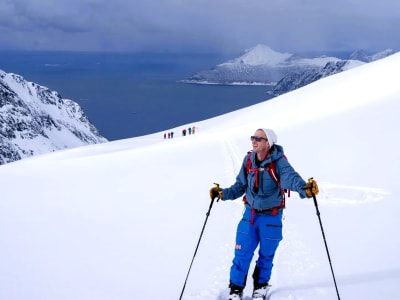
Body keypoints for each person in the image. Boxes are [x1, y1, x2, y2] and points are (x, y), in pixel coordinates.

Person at [209, 128, 319, 300]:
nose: (254, 141)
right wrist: (222, 194)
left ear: (268, 143)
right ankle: (236, 290)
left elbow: (291, 178)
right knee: (241, 253)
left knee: (266, 256)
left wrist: (305, 189)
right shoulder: (248, 161)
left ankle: (260, 288)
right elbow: (240, 185)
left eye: (259, 139)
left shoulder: (279, 162)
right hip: (250, 216)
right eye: (253, 137)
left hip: (271, 218)